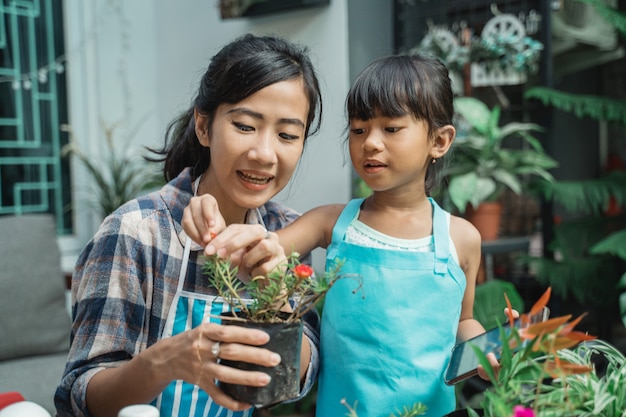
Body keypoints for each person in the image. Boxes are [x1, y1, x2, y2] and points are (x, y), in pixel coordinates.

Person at [184, 54, 502, 417]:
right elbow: (257, 249)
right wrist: (207, 213)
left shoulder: (461, 238)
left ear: (440, 141)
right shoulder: (330, 223)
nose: (370, 143)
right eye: (359, 129)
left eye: (391, 129)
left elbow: (463, 320)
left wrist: (483, 349)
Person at [55, 33, 323, 417]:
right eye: (245, 126)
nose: (264, 153)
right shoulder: (135, 231)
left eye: (287, 135)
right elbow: (82, 397)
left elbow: (294, 384)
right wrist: (165, 362)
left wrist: (278, 295)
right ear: (203, 125)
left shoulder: (287, 231)